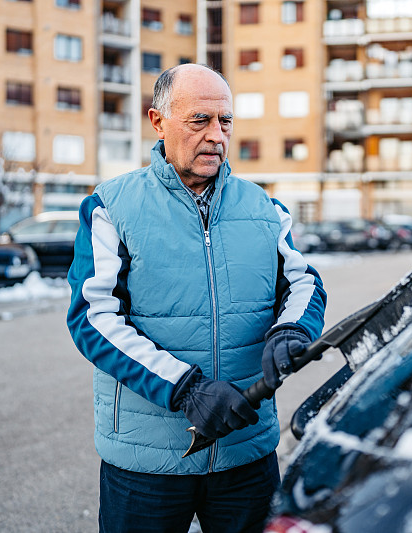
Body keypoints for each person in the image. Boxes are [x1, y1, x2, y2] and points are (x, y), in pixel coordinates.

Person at [67, 63, 327, 533]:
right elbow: (93, 318)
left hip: (246, 455)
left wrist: (292, 329)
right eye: (199, 121)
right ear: (157, 121)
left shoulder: (264, 209)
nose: (216, 136)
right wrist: (185, 388)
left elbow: (304, 283)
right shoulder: (111, 206)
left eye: (225, 122)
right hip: (147, 465)